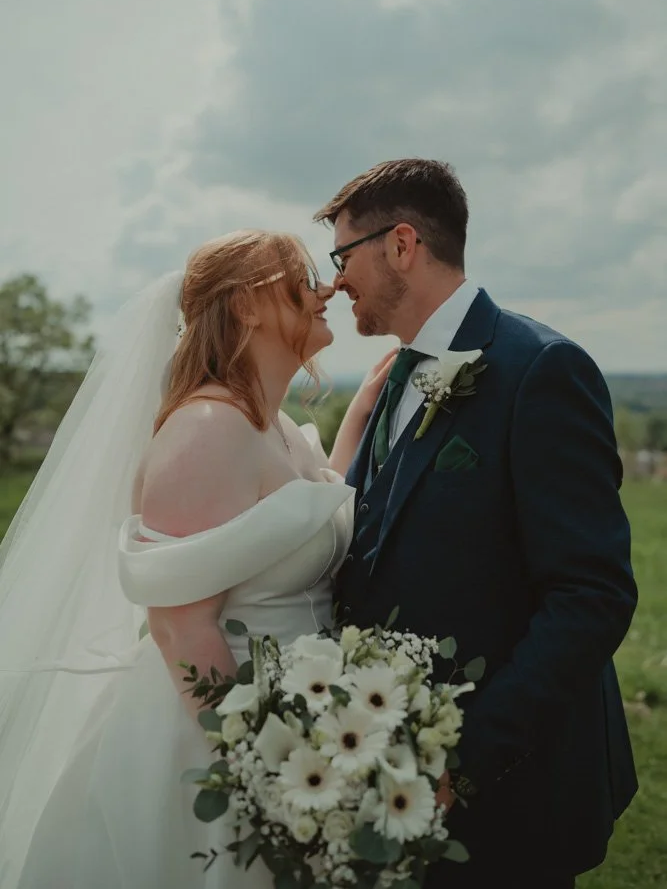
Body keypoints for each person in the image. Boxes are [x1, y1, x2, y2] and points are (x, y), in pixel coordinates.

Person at [0, 230, 392, 889]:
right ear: (244, 306)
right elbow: (179, 627)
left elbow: (302, 518)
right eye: (301, 279)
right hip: (210, 741)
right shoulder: (205, 432)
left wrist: (356, 417)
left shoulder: (274, 427)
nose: (325, 289)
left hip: (295, 723)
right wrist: (266, 779)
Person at [315, 158, 638, 889]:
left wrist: (464, 757)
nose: (336, 282)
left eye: (343, 257)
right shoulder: (395, 375)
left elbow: (591, 595)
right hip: (398, 772)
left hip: (511, 785)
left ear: (402, 244)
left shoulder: (540, 369)